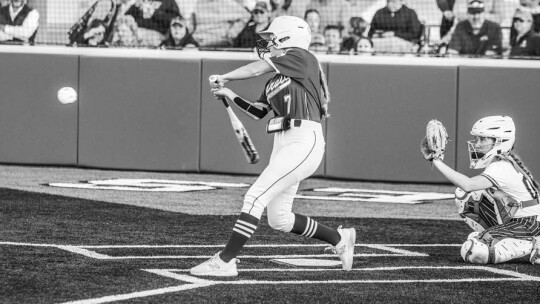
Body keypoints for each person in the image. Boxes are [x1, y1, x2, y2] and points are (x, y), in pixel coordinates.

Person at [190, 16, 356, 277]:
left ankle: (225, 260)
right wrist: (229, 95)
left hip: (304, 140)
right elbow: (257, 112)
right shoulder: (275, 81)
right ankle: (339, 239)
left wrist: (225, 77)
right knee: (279, 219)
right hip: (284, 143)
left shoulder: (303, 57)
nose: (268, 44)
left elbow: (256, 69)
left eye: (272, 38)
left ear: (288, 37)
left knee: (255, 197)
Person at [425, 116, 540, 265]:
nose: (477, 144)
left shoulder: (501, 166)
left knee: (474, 250)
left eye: (483, 139)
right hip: (525, 218)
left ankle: (534, 243)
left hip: (529, 223)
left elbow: (468, 184)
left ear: (500, 141)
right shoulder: (505, 161)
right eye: (477, 139)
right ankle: (504, 237)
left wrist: (436, 160)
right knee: (466, 197)